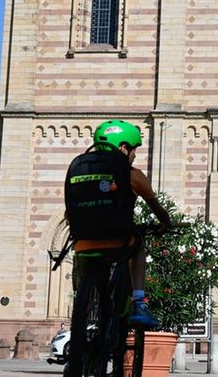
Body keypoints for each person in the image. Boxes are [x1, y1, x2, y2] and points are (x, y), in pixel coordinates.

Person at [63, 119, 174, 352]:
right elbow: (155, 205)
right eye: (133, 150)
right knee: (138, 243)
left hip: (82, 244)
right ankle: (138, 302)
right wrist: (166, 222)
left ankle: (77, 356)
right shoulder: (131, 174)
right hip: (118, 241)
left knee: (91, 287)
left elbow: (69, 209)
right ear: (123, 148)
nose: (134, 155)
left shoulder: (78, 168)